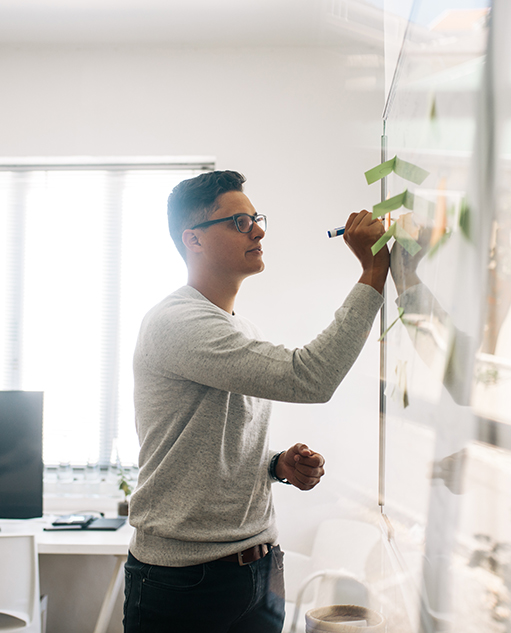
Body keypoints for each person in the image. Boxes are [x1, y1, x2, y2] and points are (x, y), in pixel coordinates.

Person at [123, 170, 389, 633]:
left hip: (261, 568)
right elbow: (310, 378)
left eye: (256, 219)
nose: (259, 230)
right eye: (239, 222)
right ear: (194, 240)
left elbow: (209, 443)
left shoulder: (240, 329)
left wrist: (274, 464)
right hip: (187, 582)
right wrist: (371, 274)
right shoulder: (177, 323)